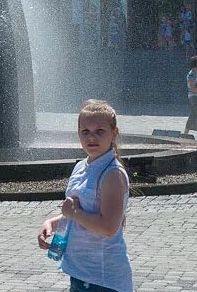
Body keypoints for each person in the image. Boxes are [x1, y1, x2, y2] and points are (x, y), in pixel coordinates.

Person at [37, 100, 133, 292]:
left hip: (103, 279)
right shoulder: (82, 167)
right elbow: (77, 212)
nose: (92, 137)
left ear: (114, 133)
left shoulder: (112, 174)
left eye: (99, 131)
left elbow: (108, 227)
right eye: (85, 131)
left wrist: (73, 213)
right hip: (80, 273)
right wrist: (52, 223)